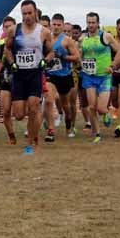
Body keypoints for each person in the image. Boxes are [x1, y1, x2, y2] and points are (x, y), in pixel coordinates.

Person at [3, 0, 53, 154]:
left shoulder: (44, 32)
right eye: (24, 13)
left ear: (35, 12)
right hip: (19, 74)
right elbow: (8, 49)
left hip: (35, 74)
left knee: (34, 107)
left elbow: (51, 52)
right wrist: (12, 63)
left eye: (30, 13)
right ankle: (33, 133)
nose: (27, 16)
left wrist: (46, 61)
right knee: (18, 114)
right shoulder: (14, 30)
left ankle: (32, 140)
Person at [79, 12, 119, 143]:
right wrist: (80, 62)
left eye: (93, 22)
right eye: (88, 22)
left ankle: (106, 113)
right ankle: (97, 133)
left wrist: (113, 65)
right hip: (89, 76)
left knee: (101, 109)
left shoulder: (106, 36)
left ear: (98, 23)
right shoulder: (82, 39)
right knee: (92, 107)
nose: (90, 25)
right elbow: (79, 54)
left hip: (104, 76)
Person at [44, 13, 80, 142]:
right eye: (54, 24)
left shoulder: (67, 40)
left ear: (63, 25)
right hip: (50, 75)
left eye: (59, 25)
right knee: (49, 100)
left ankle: (69, 123)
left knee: (66, 105)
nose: (56, 27)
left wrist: (63, 57)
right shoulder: (45, 38)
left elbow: (77, 58)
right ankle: (51, 130)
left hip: (65, 76)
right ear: (50, 25)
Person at [0, 16, 17, 144]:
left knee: (19, 114)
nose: (7, 29)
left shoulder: (20, 41)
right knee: (6, 110)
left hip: (20, 79)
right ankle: (11, 137)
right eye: (5, 27)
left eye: (10, 26)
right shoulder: (1, 43)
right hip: (6, 78)